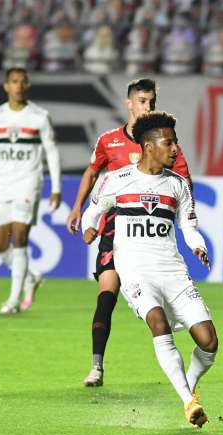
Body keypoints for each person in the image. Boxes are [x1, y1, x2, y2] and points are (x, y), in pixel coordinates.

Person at [79, 111, 217, 429]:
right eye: (169, 142)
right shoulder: (117, 180)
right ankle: (188, 402)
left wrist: (198, 245)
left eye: (176, 142)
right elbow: (93, 211)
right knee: (158, 323)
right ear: (148, 146)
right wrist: (90, 228)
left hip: (173, 270)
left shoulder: (178, 185)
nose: (175, 149)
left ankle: (188, 386)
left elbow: (190, 226)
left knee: (208, 341)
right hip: (135, 270)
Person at [66, 78, 194, 388]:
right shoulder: (109, 140)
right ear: (129, 103)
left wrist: (185, 218)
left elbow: (184, 181)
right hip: (114, 231)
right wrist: (78, 209)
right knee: (106, 294)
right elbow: (92, 172)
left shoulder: (163, 142)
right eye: (141, 101)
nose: (147, 106)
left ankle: (175, 365)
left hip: (151, 240)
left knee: (158, 309)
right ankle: (96, 366)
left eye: (151, 101)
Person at [0, 67, 61, 315]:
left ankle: (12, 301)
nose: (18, 86)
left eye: (23, 81)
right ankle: (30, 276)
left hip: (29, 183)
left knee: (20, 237)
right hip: (1, 185)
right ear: (6, 86)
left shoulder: (39, 116)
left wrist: (56, 187)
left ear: (28, 85)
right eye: (14, 82)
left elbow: (52, 152)